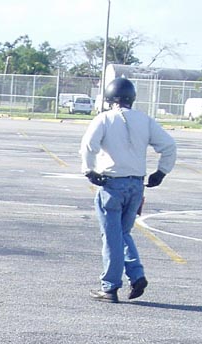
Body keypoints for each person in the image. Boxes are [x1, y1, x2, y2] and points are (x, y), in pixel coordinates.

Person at [79, 78, 177, 303]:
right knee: (123, 233)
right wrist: (161, 172)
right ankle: (136, 275)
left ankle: (110, 286)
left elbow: (88, 146)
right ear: (132, 98)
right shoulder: (145, 120)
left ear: (109, 99)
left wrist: (89, 170)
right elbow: (169, 146)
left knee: (111, 237)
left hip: (112, 184)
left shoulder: (104, 119)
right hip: (136, 185)